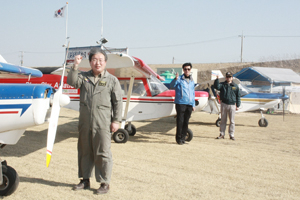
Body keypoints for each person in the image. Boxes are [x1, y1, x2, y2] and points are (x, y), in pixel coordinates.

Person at [67, 48, 123, 194]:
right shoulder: (84, 77)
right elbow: (72, 82)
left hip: (103, 122)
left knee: (103, 152)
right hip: (85, 122)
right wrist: (75, 66)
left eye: (100, 60)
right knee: (84, 151)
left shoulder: (112, 80)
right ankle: (84, 180)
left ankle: (104, 182)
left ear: (105, 62)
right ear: (90, 62)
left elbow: (118, 102)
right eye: (94, 60)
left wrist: (116, 120)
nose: (97, 63)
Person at [170, 63, 195, 145]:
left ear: (190, 70)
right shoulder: (179, 79)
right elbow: (171, 85)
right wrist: (175, 79)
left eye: (188, 69)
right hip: (181, 103)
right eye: (185, 69)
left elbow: (193, 92)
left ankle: (184, 137)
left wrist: (193, 104)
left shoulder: (192, 80)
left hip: (189, 103)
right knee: (180, 121)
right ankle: (179, 139)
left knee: (186, 121)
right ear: (183, 70)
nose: (187, 70)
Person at [213, 72, 241, 140]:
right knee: (223, 120)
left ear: (232, 78)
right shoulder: (222, 85)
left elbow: (238, 96)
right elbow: (217, 87)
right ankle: (222, 134)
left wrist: (238, 105)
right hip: (224, 104)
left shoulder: (235, 86)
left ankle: (231, 134)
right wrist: (217, 80)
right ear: (226, 77)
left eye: (230, 77)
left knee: (232, 121)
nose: (228, 78)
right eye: (227, 77)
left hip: (232, 105)